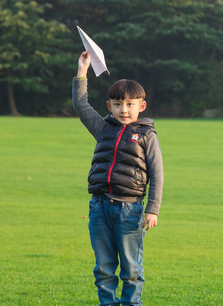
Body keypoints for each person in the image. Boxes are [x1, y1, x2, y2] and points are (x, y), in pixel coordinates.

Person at [73, 51, 164, 306]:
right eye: (117, 104)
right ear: (109, 106)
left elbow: (157, 174)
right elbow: (81, 105)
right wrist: (82, 71)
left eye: (130, 104)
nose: (123, 110)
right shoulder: (102, 128)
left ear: (141, 106)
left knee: (131, 270)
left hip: (129, 210)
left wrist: (152, 209)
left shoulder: (147, 135)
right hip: (99, 207)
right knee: (103, 268)